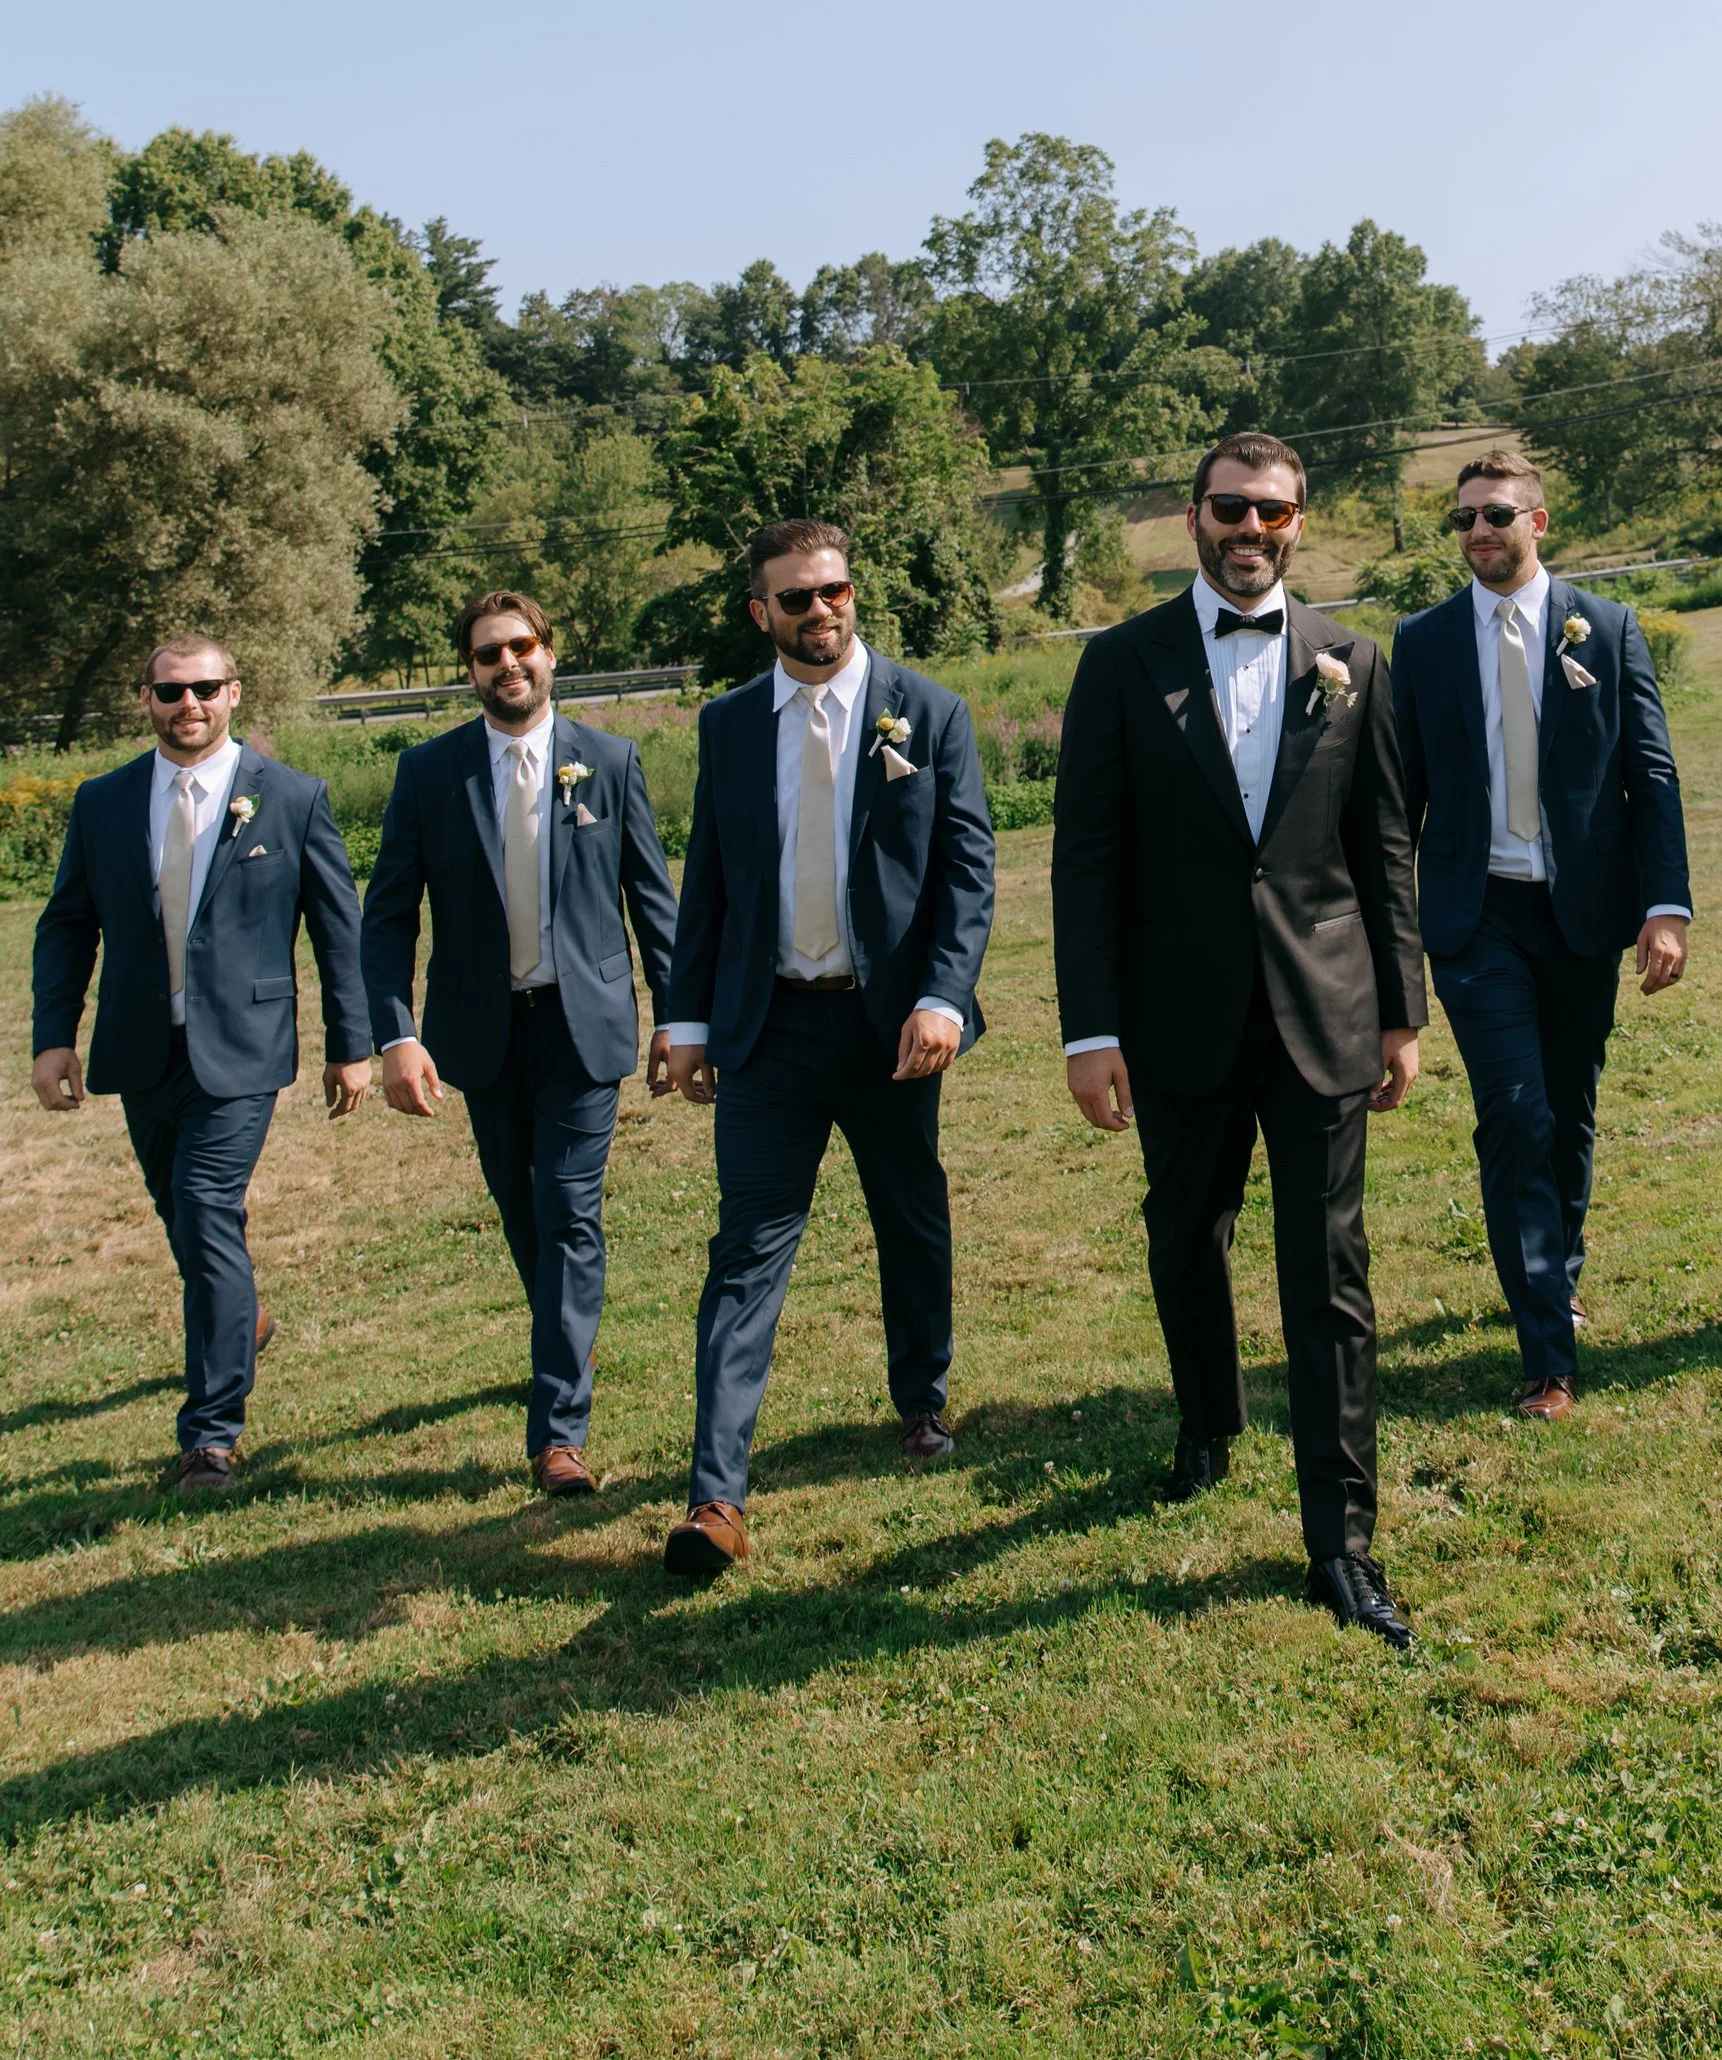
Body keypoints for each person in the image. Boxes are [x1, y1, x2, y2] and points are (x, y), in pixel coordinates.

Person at [1052, 432, 1429, 1648]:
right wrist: (1090, 1030)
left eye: (1272, 511)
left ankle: (1342, 1541)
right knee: (1185, 1232)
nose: (1249, 529)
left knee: (1329, 1278)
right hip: (1174, 1015)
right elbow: (1087, 862)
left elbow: (1383, 847)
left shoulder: (1352, 659)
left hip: (1322, 1012)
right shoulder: (1119, 664)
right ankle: (1207, 1419)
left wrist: (1402, 1011)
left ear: (1299, 522)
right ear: (1191, 518)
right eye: (1229, 508)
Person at [658, 520, 996, 1579]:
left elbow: (967, 874)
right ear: (760, 611)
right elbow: (706, 879)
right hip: (769, 1028)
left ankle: (923, 1399)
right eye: (796, 598)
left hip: (890, 1025)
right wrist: (684, 1017)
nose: (821, 611)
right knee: (746, 1251)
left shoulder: (927, 712)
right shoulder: (726, 726)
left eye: (835, 590)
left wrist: (943, 997)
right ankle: (715, 1498)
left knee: (909, 1212)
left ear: (856, 593)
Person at [29, 634, 371, 1491]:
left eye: (207, 690)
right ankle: (239, 1315)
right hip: (142, 1049)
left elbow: (338, 929)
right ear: (144, 700)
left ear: (235, 695)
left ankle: (209, 1435)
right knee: (189, 1222)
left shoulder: (290, 797)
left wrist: (351, 1044)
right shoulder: (102, 802)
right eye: (172, 692)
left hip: (245, 1049)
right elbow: (67, 924)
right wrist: (52, 1036)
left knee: (203, 1203)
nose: (190, 706)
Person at [1389, 445, 1690, 1414]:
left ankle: (1557, 1263)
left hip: (1578, 914)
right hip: (1476, 921)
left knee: (1569, 1110)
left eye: (1497, 515)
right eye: (1465, 518)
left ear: (1537, 524)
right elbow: (1400, 801)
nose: (1479, 531)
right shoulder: (1424, 642)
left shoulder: (1604, 630)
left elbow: (1651, 774)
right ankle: (1547, 1354)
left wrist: (1666, 904)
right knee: (1514, 1116)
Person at [359, 589, 678, 1491]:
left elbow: (653, 902)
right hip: (481, 1032)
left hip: (585, 1030)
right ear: (469, 671)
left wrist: (678, 1017)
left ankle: (558, 1435)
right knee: (522, 1213)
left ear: (551, 651)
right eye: (489, 653)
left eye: (522, 646)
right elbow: (388, 919)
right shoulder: (428, 775)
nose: (509, 664)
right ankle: (564, 1346)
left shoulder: (609, 761)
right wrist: (396, 1036)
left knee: (568, 1216)